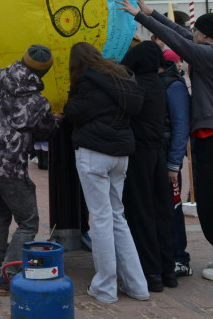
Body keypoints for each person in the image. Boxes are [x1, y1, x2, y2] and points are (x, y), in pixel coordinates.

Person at [118, 0, 213, 284]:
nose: (193, 32)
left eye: (196, 29)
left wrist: (140, 16)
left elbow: (180, 43)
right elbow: (183, 36)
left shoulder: (211, 56)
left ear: (204, 33)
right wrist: (153, 12)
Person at [0, 45, 59, 296]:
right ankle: (7, 275)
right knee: (28, 222)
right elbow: (48, 131)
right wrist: (56, 118)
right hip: (6, 166)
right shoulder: (37, 101)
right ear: (45, 73)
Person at [64, 41, 149, 304]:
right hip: (120, 154)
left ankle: (105, 287)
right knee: (117, 217)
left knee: (101, 220)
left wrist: (68, 100)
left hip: (94, 153)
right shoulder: (120, 77)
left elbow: (74, 113)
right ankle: (137, 285)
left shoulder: (87, 81)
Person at [120, 41, 177, 292]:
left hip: (140, 153)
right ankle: (167, 269)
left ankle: (150, 271)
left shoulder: (136, 86)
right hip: (157, 152)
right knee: (161, 211)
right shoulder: (158, 84)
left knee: (141, 210)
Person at [159, 48, 193, 278]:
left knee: (173, 207)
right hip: (160, 153)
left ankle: (179, 257)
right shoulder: (160, 83)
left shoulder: (175, 86)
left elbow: (181, 126)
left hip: (169, 156)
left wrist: (173, 163)